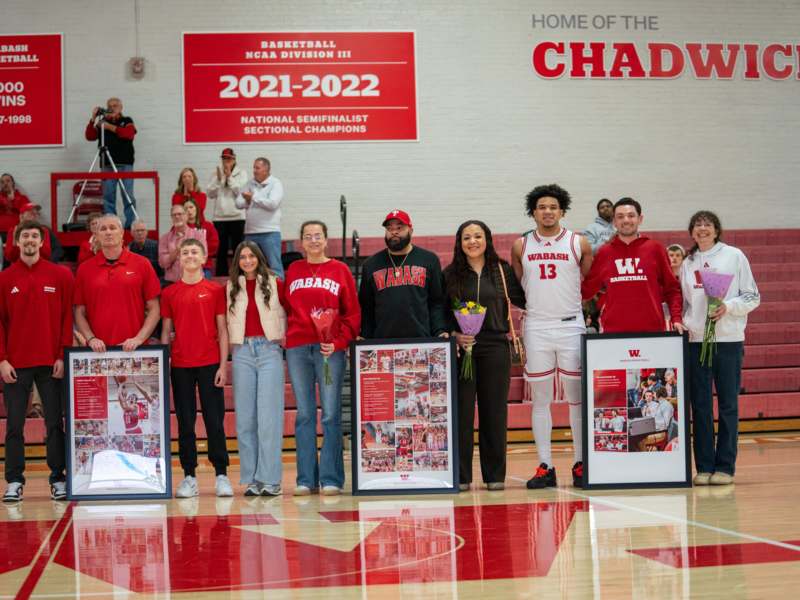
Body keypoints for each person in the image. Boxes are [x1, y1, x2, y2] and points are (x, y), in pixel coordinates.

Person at [510, 184, 593, 489]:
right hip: (537, 327)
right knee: (541, 400)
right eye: (541, 207)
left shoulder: (578, 243)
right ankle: (545, 465)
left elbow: (586, 280)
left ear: (562, 211)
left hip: (571, 326)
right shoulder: (520, 246)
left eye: (553, 207)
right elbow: (520, 284)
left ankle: (581, 463)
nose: (547, 211)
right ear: (533, 212)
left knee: (576, 398)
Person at [444, 220, 525, 492]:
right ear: (460, 242)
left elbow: (524, 299)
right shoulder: (450, 274)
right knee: (462, 413)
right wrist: (454, 334)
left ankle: (494, 476)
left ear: (487, 239)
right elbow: (441, 312)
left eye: (478, 236)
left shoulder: (501, 271)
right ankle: (462, 476)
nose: (473, 241)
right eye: (467, 237)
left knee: (494, 412)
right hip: (462, 349)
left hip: (494, 347)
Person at [680, 210, 759, 486]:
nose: (702, 229)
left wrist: (728, 307)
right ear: (691, 232)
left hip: (728, 341)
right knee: (699, 405)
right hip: (696, 341)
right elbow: (687, 303)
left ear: (716, 230)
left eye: (707, 224)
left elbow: (752, 296)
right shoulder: (688, 262)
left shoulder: (734, 256)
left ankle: (725, 466)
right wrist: (684, 323)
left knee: (727, 405)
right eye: (697, 225)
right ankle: (703, 466)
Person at [284, 221, 360, 496]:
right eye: (308, 236)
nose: (313, 240)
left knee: (330, 414)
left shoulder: (340, 270)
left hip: (330, 350)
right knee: (304, 414)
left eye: (318, 236)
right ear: (301, 242)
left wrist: (338, 342)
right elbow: (286, 306)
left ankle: (331, 478)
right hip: (297, 348)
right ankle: (306, 478)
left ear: (327, 240)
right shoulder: (293, 270)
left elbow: (352, 314)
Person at [0, 222, 73, 502]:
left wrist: (62, 354)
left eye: (34, 236)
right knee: (14, 425)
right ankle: (15, 481)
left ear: (42, 241)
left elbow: (67, 317)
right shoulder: (5, 279)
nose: (30, 240)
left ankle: (57, 477)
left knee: (55, 423)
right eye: (25, 236)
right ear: (17, 242)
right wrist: (3, 360)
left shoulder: (61, 275)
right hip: (16, 364)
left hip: (51, 363)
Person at [161, 238, 232, 498]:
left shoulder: (215, 290)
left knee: (215, 421)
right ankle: (189, 476)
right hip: (180, 366)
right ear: (179, 258)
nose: (190, 255)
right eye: (185, 252)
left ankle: (221, 474)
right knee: (185, 423)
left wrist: (223, 365)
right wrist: (163, 363)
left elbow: (223, 330)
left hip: (210, 363)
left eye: (194, 252)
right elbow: (166, 332)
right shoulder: (169, 293)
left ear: (204, 258)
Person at [226, 241, 287, 496]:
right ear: (237, 261)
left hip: (269, 351)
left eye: (252, 256)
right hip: (242, 353)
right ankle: (252, 478)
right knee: (245, 420)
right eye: (243, 257)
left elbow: (290, 313)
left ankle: (270, 479)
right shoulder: (231, 287)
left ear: (259, 258)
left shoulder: (274, 283)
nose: (248, 260)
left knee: (269, 419)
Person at [582, 197, 685, 333]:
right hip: (613, 332)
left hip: (653, 330)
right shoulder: (604, 252)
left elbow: (671, 289)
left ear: (640, 219)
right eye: (620, 216)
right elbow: (587, 290)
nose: (626, 220)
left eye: (631, 216)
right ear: (614, 221)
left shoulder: (655, 249)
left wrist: (676, 319)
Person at [74, 214, 161, 351]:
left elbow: (154, 309)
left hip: (134, 350)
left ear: (121, 234)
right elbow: (79, 312)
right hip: (97, 353)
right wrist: (91, 339)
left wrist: (139, 338)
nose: (108, 232)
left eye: (112, 228)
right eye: (103, 229)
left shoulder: (142, 264)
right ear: (96, 235)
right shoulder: (84, 269)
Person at [359, 210, 448, 339]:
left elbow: (436, 302)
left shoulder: (429, 260)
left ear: (410, 231)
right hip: (382, 343)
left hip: (422, 340)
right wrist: (365, 335)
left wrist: (439, 330)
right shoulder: (370, 264)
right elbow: (367, 307)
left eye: (399, 228)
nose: (394, 232)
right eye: (389, 228)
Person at [84, 98, 137, 227]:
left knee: (128, 195)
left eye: (115, 105)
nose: (112, 108)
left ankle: (131, 224)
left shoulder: (127, 121)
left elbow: (128, 134)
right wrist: (93, 119)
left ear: (121, 107)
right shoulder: (102, 122)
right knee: (108, 196)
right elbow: (90, 136)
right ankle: (111, 224)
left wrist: (109, 127)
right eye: (110, 106)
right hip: (107, 164)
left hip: (125, 163)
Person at [236, 157, 284, 279]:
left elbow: (273, 204)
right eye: (254, 167)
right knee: (250, 267)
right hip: (250, 233)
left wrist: (253, 197)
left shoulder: (275, 183)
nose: (254, 170)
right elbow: (238, 203)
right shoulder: (249, 184)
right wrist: (247, 201)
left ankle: (279, 295)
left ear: (266, 169)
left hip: (270, 233)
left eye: (257, 167)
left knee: (275, 267)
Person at [207, 148, 247, 277]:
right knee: (221, 251)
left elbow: (240, 192)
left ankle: (240, 275)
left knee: (238, 249)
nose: (226, 161)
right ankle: (221, 277)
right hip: (220, 218)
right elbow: (210, 194)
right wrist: (219, 180)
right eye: (224, 158)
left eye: (229, 158)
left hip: (238, 216)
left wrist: (229, 177)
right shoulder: (217, 173)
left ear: (234, 159)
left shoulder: (242, 173)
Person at [158, 204, 207, 284]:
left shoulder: (198, 235)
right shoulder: (164, 238)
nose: (177, 217)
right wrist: (177, 250)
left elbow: (203, 258)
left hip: (194, 281)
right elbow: (163, 263)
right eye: (174, 215)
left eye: (180, 214)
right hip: (172, 282)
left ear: (186, 216)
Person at [184, 198, 218, 279]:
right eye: (185, 208)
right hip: (185, 267)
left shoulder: (208, 226)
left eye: (191, 207)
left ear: (197, 208)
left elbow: (214, 246)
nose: (189, 210)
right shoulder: (180, 228)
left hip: (204, 266)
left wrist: (198, 255)